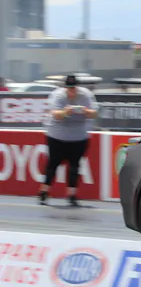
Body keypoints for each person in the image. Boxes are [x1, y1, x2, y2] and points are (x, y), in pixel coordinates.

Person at [38, 75, 99, 206]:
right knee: (52, 164)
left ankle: (71, 194)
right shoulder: (58, 95)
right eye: (69, 88)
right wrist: (66, 112)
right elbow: (55, 114)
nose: (72, 91)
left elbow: (94, 113)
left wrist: (85, 111)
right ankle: (44, 191)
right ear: (65, 88)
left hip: (78, 136)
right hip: (57, 136)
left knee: (74, 166)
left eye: (74, 88)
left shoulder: (86, 95)